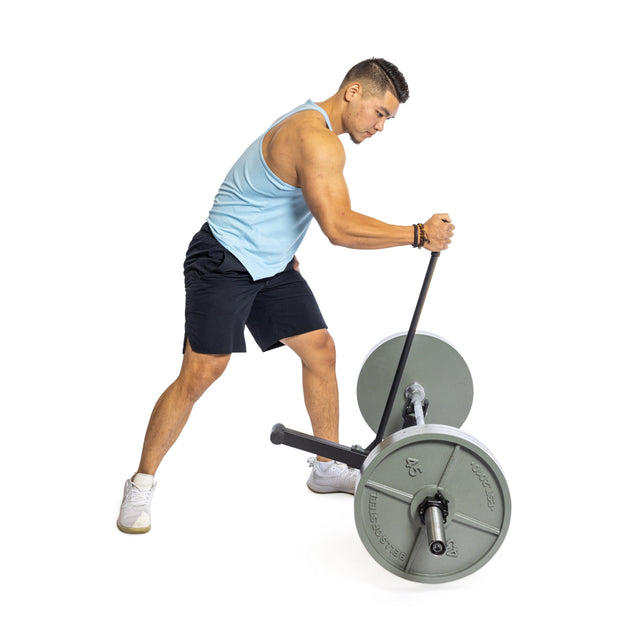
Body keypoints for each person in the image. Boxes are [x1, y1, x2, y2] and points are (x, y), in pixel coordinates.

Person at [117, 57, 454, 534]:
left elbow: (282, 201)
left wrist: (281, 248)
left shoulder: (319, 130)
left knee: (320, 349)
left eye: (388, 120)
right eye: (380, 113)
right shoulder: (314, 138)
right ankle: (140, 484)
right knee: (201, 373)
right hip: (223, 260)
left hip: (270, 265)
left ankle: (326, 467)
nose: (381, 126)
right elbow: (338, 227)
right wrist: (417, 234)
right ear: (353, 92)